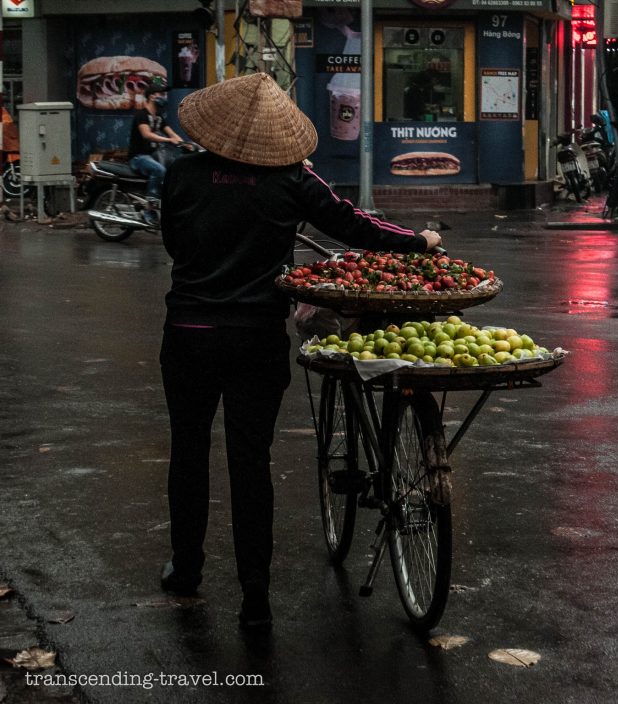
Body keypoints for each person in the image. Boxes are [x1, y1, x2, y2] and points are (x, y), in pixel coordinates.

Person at [157, 73, 442, 629]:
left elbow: (175, 243)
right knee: (249, 462)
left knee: (187, 452)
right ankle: (255, 599)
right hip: (255, 338)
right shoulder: (291, 180)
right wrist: (418, 240)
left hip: (188, 333)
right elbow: (354, 225)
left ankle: (186, 568)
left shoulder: (181, 175)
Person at [128, 83, 184, 224]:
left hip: (152, 156)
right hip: (138, 157)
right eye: (161, 94)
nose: (164, 97)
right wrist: (169, 140)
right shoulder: (142, 115)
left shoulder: (158, 117)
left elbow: (172, 134)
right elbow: (146, 134)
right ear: (152, 96)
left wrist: (186, 144)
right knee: (159, 170)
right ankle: (149, 210)